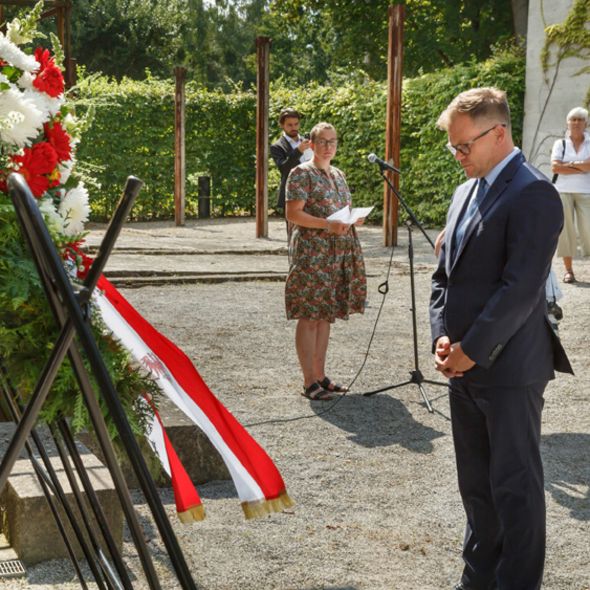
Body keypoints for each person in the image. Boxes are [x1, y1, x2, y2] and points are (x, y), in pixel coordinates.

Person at [430, 87, 573, 590]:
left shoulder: (533, 192)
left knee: (514, 488)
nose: (458, 156)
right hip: (461, 366)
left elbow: (521, 288)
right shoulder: (464, 191)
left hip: (510, 368)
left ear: (499, 133)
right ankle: (478, 578)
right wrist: (442, 338)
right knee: (475, 486)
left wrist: (472, 349)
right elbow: (443, 276)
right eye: (453, 148)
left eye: (463, 146)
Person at [285, 122, 367, 401]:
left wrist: (353, 218)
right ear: (312, 143)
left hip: (337, 253)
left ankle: (321, 375)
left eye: (333, 141)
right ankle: (309, 381)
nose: (328, 146)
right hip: (312, 253)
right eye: (322, 141)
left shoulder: (339, 174)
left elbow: (340, 211)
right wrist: (326, 225)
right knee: (309, 315)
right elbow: (293, 214)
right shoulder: (300, 173)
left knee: (325, 315)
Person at [551, 106, 590, 283]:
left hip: (586, 191)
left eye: (579, 120)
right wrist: (580, 165)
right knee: (566, 232)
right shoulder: (560, 144)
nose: (576, 123)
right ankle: (569, 271)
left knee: (588, 231)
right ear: (567, 123)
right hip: (563, 191)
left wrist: (568, 165)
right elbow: (555, 167)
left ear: (585, 123)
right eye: (572, 120)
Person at [270, 108, 313, 215]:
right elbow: (284, 169)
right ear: (281, 125)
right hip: (293, 195)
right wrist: (298, 151)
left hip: (313, 193)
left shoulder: (307, 141)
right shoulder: (277, 146)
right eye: (289, 125)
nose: (294, 127)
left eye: (296, 124)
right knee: (294, 231)